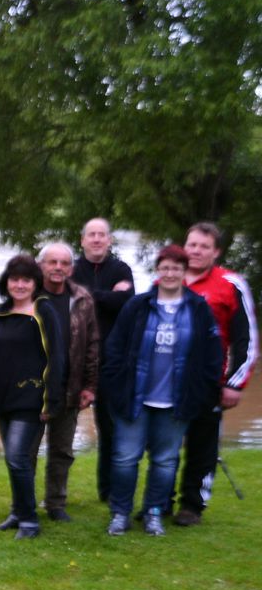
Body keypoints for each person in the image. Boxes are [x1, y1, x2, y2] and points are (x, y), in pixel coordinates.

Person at [101, 245, 223, 536]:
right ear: (157, 270)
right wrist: (115, 387)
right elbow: (114, 349)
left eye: (176, 268)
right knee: (125, 458)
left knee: (165, 461)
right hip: (135, 399)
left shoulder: (198, 309)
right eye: (165, 267)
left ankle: (154, 513)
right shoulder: (138, 306)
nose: (170, 273)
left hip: (176, 402)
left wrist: (201, 393)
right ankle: (120, 513)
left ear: (184, 272)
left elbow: (212, 356)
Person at [174, 222, 258, 526]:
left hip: (209, 383)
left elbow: (246, 340)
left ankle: (192, 506)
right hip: (167, 382)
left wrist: (235, 384)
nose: (196, 251)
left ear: (216, 251)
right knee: (164, 446)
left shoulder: (231, 284)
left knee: (202, 447)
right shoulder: (168, 278)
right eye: (192, 244)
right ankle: (159, 501)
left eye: (204, 246)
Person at [0, 254, 64, 540]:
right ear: (6, 282)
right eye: (14, 279)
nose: (19, 285)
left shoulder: (44, 311)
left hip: (31, 399)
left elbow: (57, 357)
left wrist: (51, 400)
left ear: (35, 283)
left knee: (18, 458)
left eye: (26, 280)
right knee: (13, 460)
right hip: (3, 399)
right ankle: (17, 512)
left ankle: (29, 521)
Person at [31, 243, 100, 522]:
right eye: (52, 262)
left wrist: (90, 386)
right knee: (26, 452)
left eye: (64, 263)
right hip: (33, 390)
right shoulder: (27, 296)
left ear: (71, 269)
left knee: (62, 451)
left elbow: (92, 343)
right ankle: (23, 505)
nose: (58, 268)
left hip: (69, 387)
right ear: (41, 266)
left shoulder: (82, 298)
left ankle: (56, 503)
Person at [71, 218, 134, 504]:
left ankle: (107, 489)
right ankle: (55, 495)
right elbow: (66, 302)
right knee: (61, 427)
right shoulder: (71, 269)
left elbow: (126, 302)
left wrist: (86, 295)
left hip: (111, 362)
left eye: (102, 235)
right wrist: (108, 295)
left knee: (109, 428)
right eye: (91, 235)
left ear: (109, 240)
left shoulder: (121, 269)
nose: (97, 239)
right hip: (74, 358)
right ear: (82, 240)